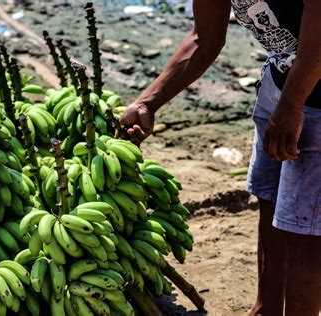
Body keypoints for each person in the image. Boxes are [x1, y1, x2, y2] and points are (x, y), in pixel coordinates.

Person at [120, 0, 321, 315]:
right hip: (280, 79)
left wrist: (291, 106)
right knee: (271, 202)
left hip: (314, 92)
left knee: (306, 232)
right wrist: (148, 102)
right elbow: (204, 38)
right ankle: (266, 307)